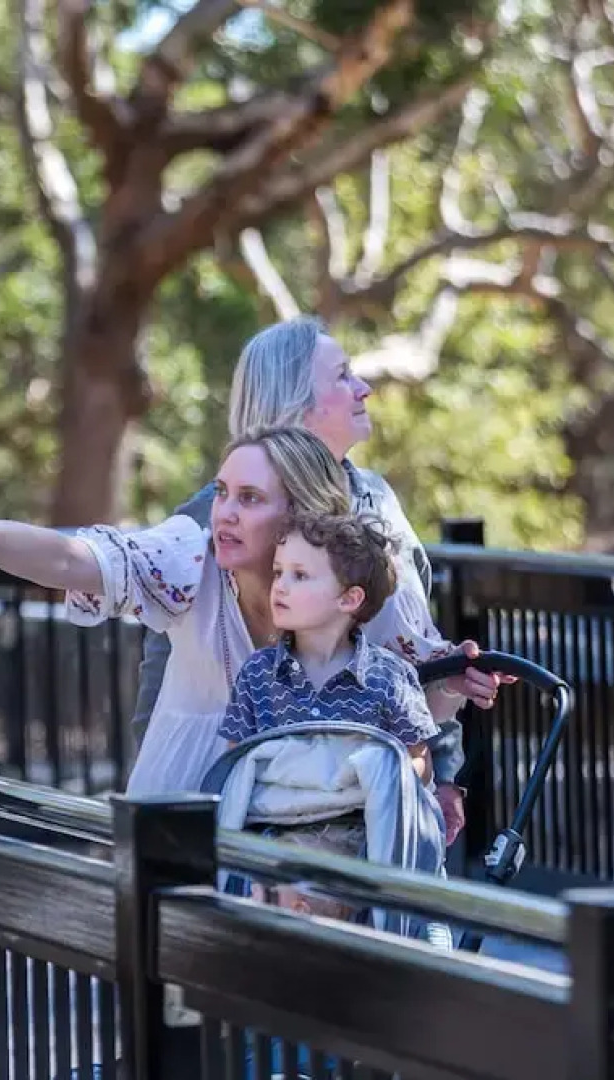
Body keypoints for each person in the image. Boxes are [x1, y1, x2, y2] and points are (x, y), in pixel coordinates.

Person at [0, 426, 492, 801]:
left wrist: (456, 684)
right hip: (187, 812)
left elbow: (420, 699)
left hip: (315, 834)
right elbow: (69, 558)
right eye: (221, 493)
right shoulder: (191, 560)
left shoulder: (358, 587)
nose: (224, 514)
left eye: (249, 498)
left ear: (301, 515)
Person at [132, 316, 500, 841]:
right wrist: (157, 825)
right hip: (244, 810)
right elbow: (162, 685)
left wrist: (443, 770)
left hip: (374, 805)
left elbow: (414, 653)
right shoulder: (209, 522)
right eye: (344, 376)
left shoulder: (379, 502)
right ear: (297, 402)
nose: (364, 388)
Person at [219, 510, 440, 921]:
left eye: (299, 576)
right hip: (277, 832)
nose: (279, 586)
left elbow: (418, 766)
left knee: (346, 886)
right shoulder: (259, 674)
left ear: (349, 598)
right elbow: (238, 765)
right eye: (279, 572)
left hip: (358, 836)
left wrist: (362, 772)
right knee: (275, 887)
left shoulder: (388, 676)